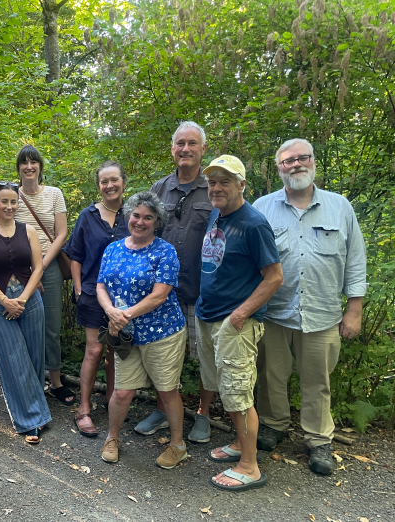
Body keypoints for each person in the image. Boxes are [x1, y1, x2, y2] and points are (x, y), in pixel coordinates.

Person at [253, 139, 368, 475]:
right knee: (271, 374)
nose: (296, 164)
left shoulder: (339, 207)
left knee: (317, 380)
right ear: (278, 168)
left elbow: (356, 260)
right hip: (273, 313)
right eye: (288, 161)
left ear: (313, 162)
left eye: (302, 158)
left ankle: (318, 440)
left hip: (322, 314)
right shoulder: (262, 207)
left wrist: (355, 309)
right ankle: (273, 425)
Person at [196, 155, 283, 491]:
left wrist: (241, 313)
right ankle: (238, 444)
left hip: (235, 323)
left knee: (238, 394)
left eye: (225, 181)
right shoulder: (218, 214)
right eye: (212, 182)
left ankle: (250, 466)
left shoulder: (254, 223)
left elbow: (275, 278)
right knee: (228, 390)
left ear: (241, 185)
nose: (216, 188)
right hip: (210, 316)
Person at [96, 192, 189, 469]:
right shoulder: (112, 249)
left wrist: (123, 315)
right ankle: (112, 438)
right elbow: (100, 285)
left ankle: (178, 445)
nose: (140, 221)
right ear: (128, 216)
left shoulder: (165, 251)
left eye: (148, 217)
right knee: (122, 392)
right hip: (126, 334)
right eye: (136, 215)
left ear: (157, 222)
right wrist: (111, 312)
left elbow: (160, 295)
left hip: (162, 332)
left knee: (167, 390)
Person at [138, 121, 215, 443]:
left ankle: (204, 414)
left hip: (203, 291)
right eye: (180, 143)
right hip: (164, 292)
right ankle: (161, 409)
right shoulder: (159, 190)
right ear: (172, 149)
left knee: (206, 357)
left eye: (192, 143)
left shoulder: (214, 188)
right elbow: (144, 234)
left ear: (202, 149)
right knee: (163, 354)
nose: (185, 149)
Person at [0, 182, 51, 443]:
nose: (9, 206)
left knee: (33, 357)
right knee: (13, 359)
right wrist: (6, 300)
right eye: (4, 201)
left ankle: (35, 407)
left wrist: (23, 299)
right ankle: (31, 419)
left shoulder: (28, 230)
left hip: (30, 301)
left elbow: (38, 268)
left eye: (13, 201)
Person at [63, 161, 129, 437]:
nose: (109, 185)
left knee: (117, 352)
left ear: (124, 182)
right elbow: (74, 255)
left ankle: (113, 404)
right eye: (104, 181)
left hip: (126, 299)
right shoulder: (87, 216)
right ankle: (84, 408)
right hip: (91, 292)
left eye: (114, 180)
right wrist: (78, 290)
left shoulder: (133, 214)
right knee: (94, 350)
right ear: (98, 186)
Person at [14, 145, 72, 404]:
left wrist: (41, 266)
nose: (29, 166)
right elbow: (6, 232)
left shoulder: (54, 194)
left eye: (33, 162)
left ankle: (56, 382)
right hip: (18, 270)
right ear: (18, 168)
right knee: (26, 328)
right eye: (24, 162)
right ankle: (30, 381)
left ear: (40, 166)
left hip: (48, 268)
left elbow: (61, 233)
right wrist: (28, 270)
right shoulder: (12, 195)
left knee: (51, 328)